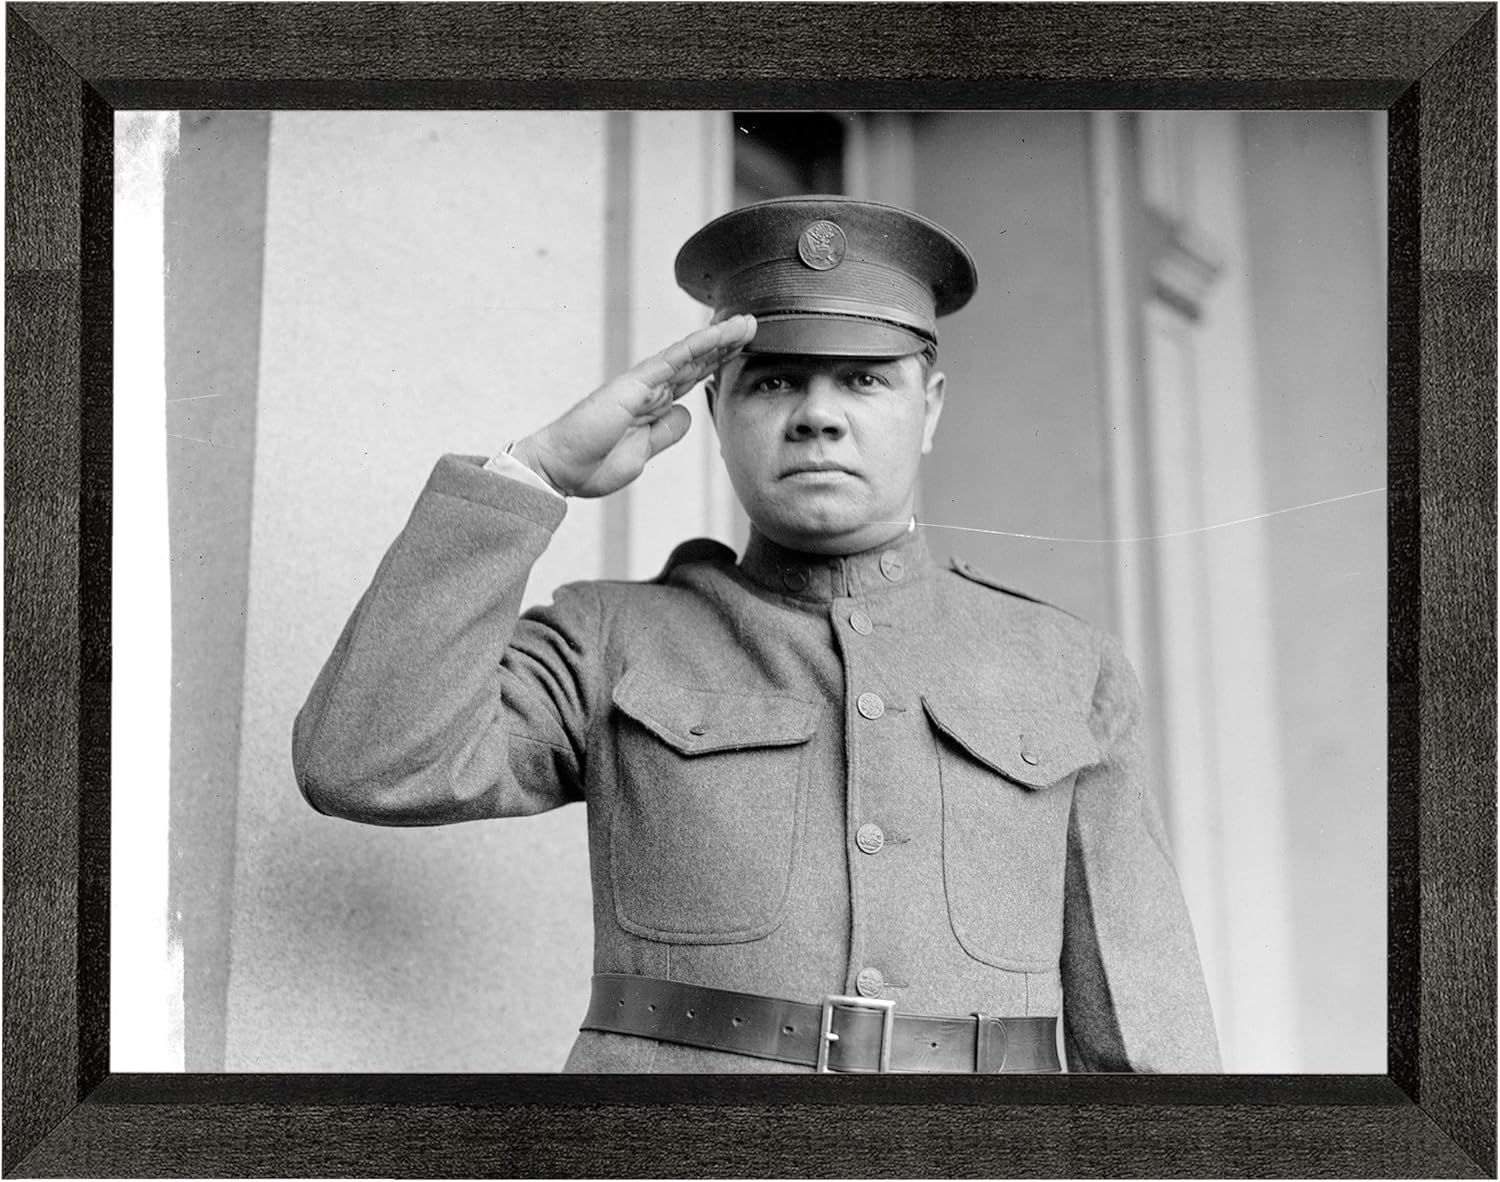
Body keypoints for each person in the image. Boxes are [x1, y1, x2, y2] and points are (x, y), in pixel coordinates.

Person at [293, 196, 1220, 1074]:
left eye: (864, 379)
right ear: (714, 413)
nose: (819, 415)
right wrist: (533, 477)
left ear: (930, 407)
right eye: (774, 380)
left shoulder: (1065, 666)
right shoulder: (608, 639)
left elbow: (1144, 1026)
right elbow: (364, 759)